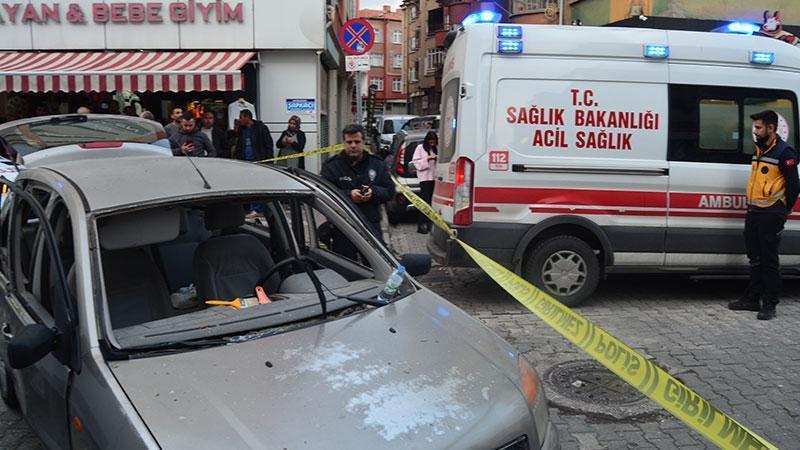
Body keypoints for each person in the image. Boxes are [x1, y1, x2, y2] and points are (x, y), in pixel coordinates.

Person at [729, 110, 799, 320]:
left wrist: (783, 210)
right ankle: (752, 299)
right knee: (755, 258)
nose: (755, 131)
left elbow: (794, 185)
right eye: (755, 128)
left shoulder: (784, 152)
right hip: (754, 210)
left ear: (771, 128)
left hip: (772, 213)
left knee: (769, 260)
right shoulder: (760, 149)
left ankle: (770, 304)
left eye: (759, 128)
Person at [321, 124, 395, 254]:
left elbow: (389, 191)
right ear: (344, 143)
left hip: (370, 226)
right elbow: (325, 194)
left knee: (375, 262)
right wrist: (349, 195)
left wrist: (373, 192)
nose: (353, 145)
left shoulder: (377, 164)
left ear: (363, 142)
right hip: (343, 227)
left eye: (357, 141)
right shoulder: (332, 166)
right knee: (345, 264)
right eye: (349, 142)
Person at [411, 131, 438, 234]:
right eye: (430, 142)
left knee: (431, 202)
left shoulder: (435, 149)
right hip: (425, 178)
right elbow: (416, 162)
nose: (432, 144)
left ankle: (429, 224)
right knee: (425, 201)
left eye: (434, 142)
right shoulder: (420, 148)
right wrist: (428, 159)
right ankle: (421, 224)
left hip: (434, 178)